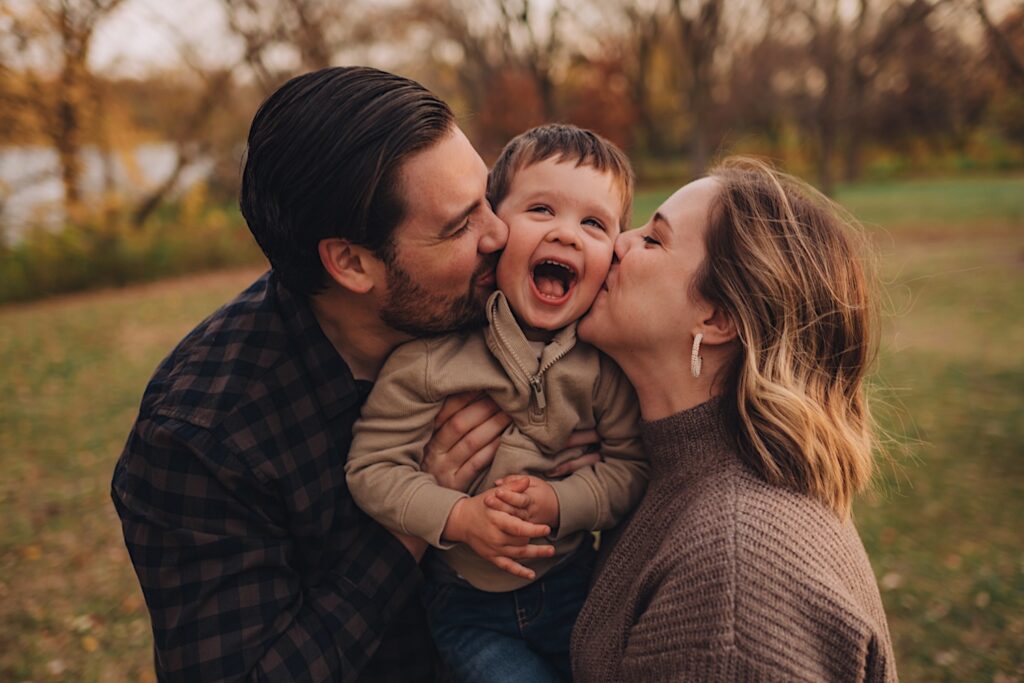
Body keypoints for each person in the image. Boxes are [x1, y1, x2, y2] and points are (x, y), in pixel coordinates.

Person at [111, 66, 527, 681]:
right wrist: (414, 512)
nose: (500, 231)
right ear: (351, 263)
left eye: (488, 198)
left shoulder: (500, 302)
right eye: (460, 224)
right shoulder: (202, 438)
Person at [570, 157, 898, 682]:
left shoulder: (733, 581)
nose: (617, 242)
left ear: (717, 317)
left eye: (653, 240)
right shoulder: (662, 473)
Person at [345, 124, 648, 682]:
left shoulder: (603, 364)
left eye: (593, 223)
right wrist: (459, 516)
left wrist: (562, 502)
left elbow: (631, 468)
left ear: (613, 253)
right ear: (494, 228)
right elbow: (372, 469)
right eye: (540, 210)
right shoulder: (433, 359)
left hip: (577, 590)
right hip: (469, 609)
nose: (567, 235)